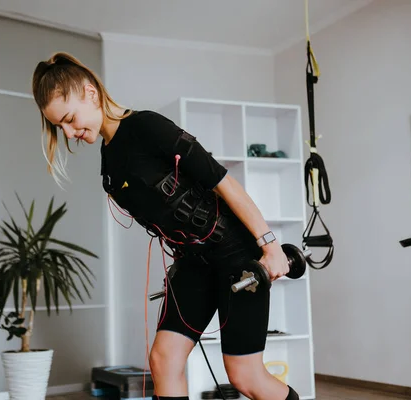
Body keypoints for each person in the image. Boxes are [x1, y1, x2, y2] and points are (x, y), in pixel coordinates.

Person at [31, 52, 300, 400]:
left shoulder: (146, 127)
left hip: (236, 253)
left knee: (245, 376)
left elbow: (222, 182)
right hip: (192, 264)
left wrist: (270, 246)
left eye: (69, 118)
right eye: (60, 127)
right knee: (163, 360)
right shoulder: (109, 167)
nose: (69, 132)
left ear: (90, 93)